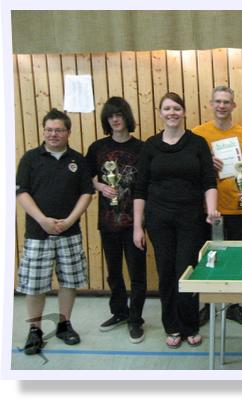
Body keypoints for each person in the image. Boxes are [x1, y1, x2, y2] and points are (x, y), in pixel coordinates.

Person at [133, 92, 220, 348]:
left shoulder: (198, 143)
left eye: (176, 108)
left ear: (184, 112)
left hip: (191, 218)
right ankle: (171, 325)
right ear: (160, 113)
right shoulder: (150, 146)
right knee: (166, 271)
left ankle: (190, 325)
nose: (172, 112)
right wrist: (137, 226)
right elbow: (140, 189)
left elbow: (209, 181)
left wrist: (211, 210)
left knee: (187, 270)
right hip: (158, 219)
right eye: (167, 108)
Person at [16, 108, 94, 355]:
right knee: (35, 285)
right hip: (38, 234)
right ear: (43, 131)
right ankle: (35, 330)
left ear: (68, 132)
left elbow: (87, 193)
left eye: (59, 130)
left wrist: (70, 220)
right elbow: (21, 192)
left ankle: (64, 324)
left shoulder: (78, 160)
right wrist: (42, 220)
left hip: (69, 233)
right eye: (49, 130)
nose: (53, 134)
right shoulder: (30, 159)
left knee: (69, 282)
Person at [192, 85, 242, 327]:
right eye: (218, 101)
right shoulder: (197, 134)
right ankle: (208, 305)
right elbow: (188, 169)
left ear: (234, 105)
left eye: (226, 102)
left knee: (237, 257)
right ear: (211, 104)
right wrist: (205, 164)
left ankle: (234, 306)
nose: (222, 106)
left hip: (237, 207)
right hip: (208, 209)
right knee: (208, 257)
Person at [85, 97, 147, 344]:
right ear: (106, 120)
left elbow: (147, 184)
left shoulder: (142, 148)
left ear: (126, 117)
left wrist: (141, 223)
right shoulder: (97, 148)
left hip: (134, 222)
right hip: (108, 221)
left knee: (137, 273)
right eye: (110, 116)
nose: (115, 119)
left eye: (119, 115)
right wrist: (99, 186)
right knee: (113, 272)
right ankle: (120, 312)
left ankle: (135, 319)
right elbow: (87, 177)